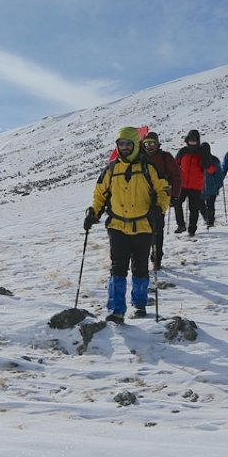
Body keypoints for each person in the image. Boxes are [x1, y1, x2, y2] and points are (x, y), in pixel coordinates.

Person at [85, 127, 170, 323]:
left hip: (143, 226)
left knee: (140, 267)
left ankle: (139, 305)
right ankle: (116, 310)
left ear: (135, 144)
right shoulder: (111, 169)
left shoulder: (149, 168)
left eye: (127, 144)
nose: (124, 147)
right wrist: (93, 213)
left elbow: (163, 190)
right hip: (117, 226)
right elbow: (100, 194)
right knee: (118, 268)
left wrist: (159, 208)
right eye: (120, 144)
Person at [140, 133, 181, 271]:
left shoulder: (165, 157)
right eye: (146, 144)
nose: (149, 146)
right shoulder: (139, 158)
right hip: (141, 199)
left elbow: (176, 175)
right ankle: (143, 258)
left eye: (152, 143)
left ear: (158, 144)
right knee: (143, 230)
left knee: (157, 229)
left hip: (160, 199)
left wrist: (174, 195)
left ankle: (157, 258)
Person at [173, 130, 212, 237]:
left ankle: (192, 229)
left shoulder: (202, 152)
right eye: (190, 140)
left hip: (196, 186)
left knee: (193, 208)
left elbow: (211, 169)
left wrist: (207, 163)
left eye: (194, 141)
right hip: (182, 185)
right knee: (177, 203)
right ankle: (181, 225)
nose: (192, 142)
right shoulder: (183, 152)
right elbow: (175, 165)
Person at [201, 148, 222, 228]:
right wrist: (219, 184)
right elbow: (219, 173)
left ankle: (209, 220)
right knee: (210, 205)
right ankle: (209, 220)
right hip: (211, 187)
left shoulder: (199, 160)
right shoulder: (214, 160)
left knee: (203, 204)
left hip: (204, 187)